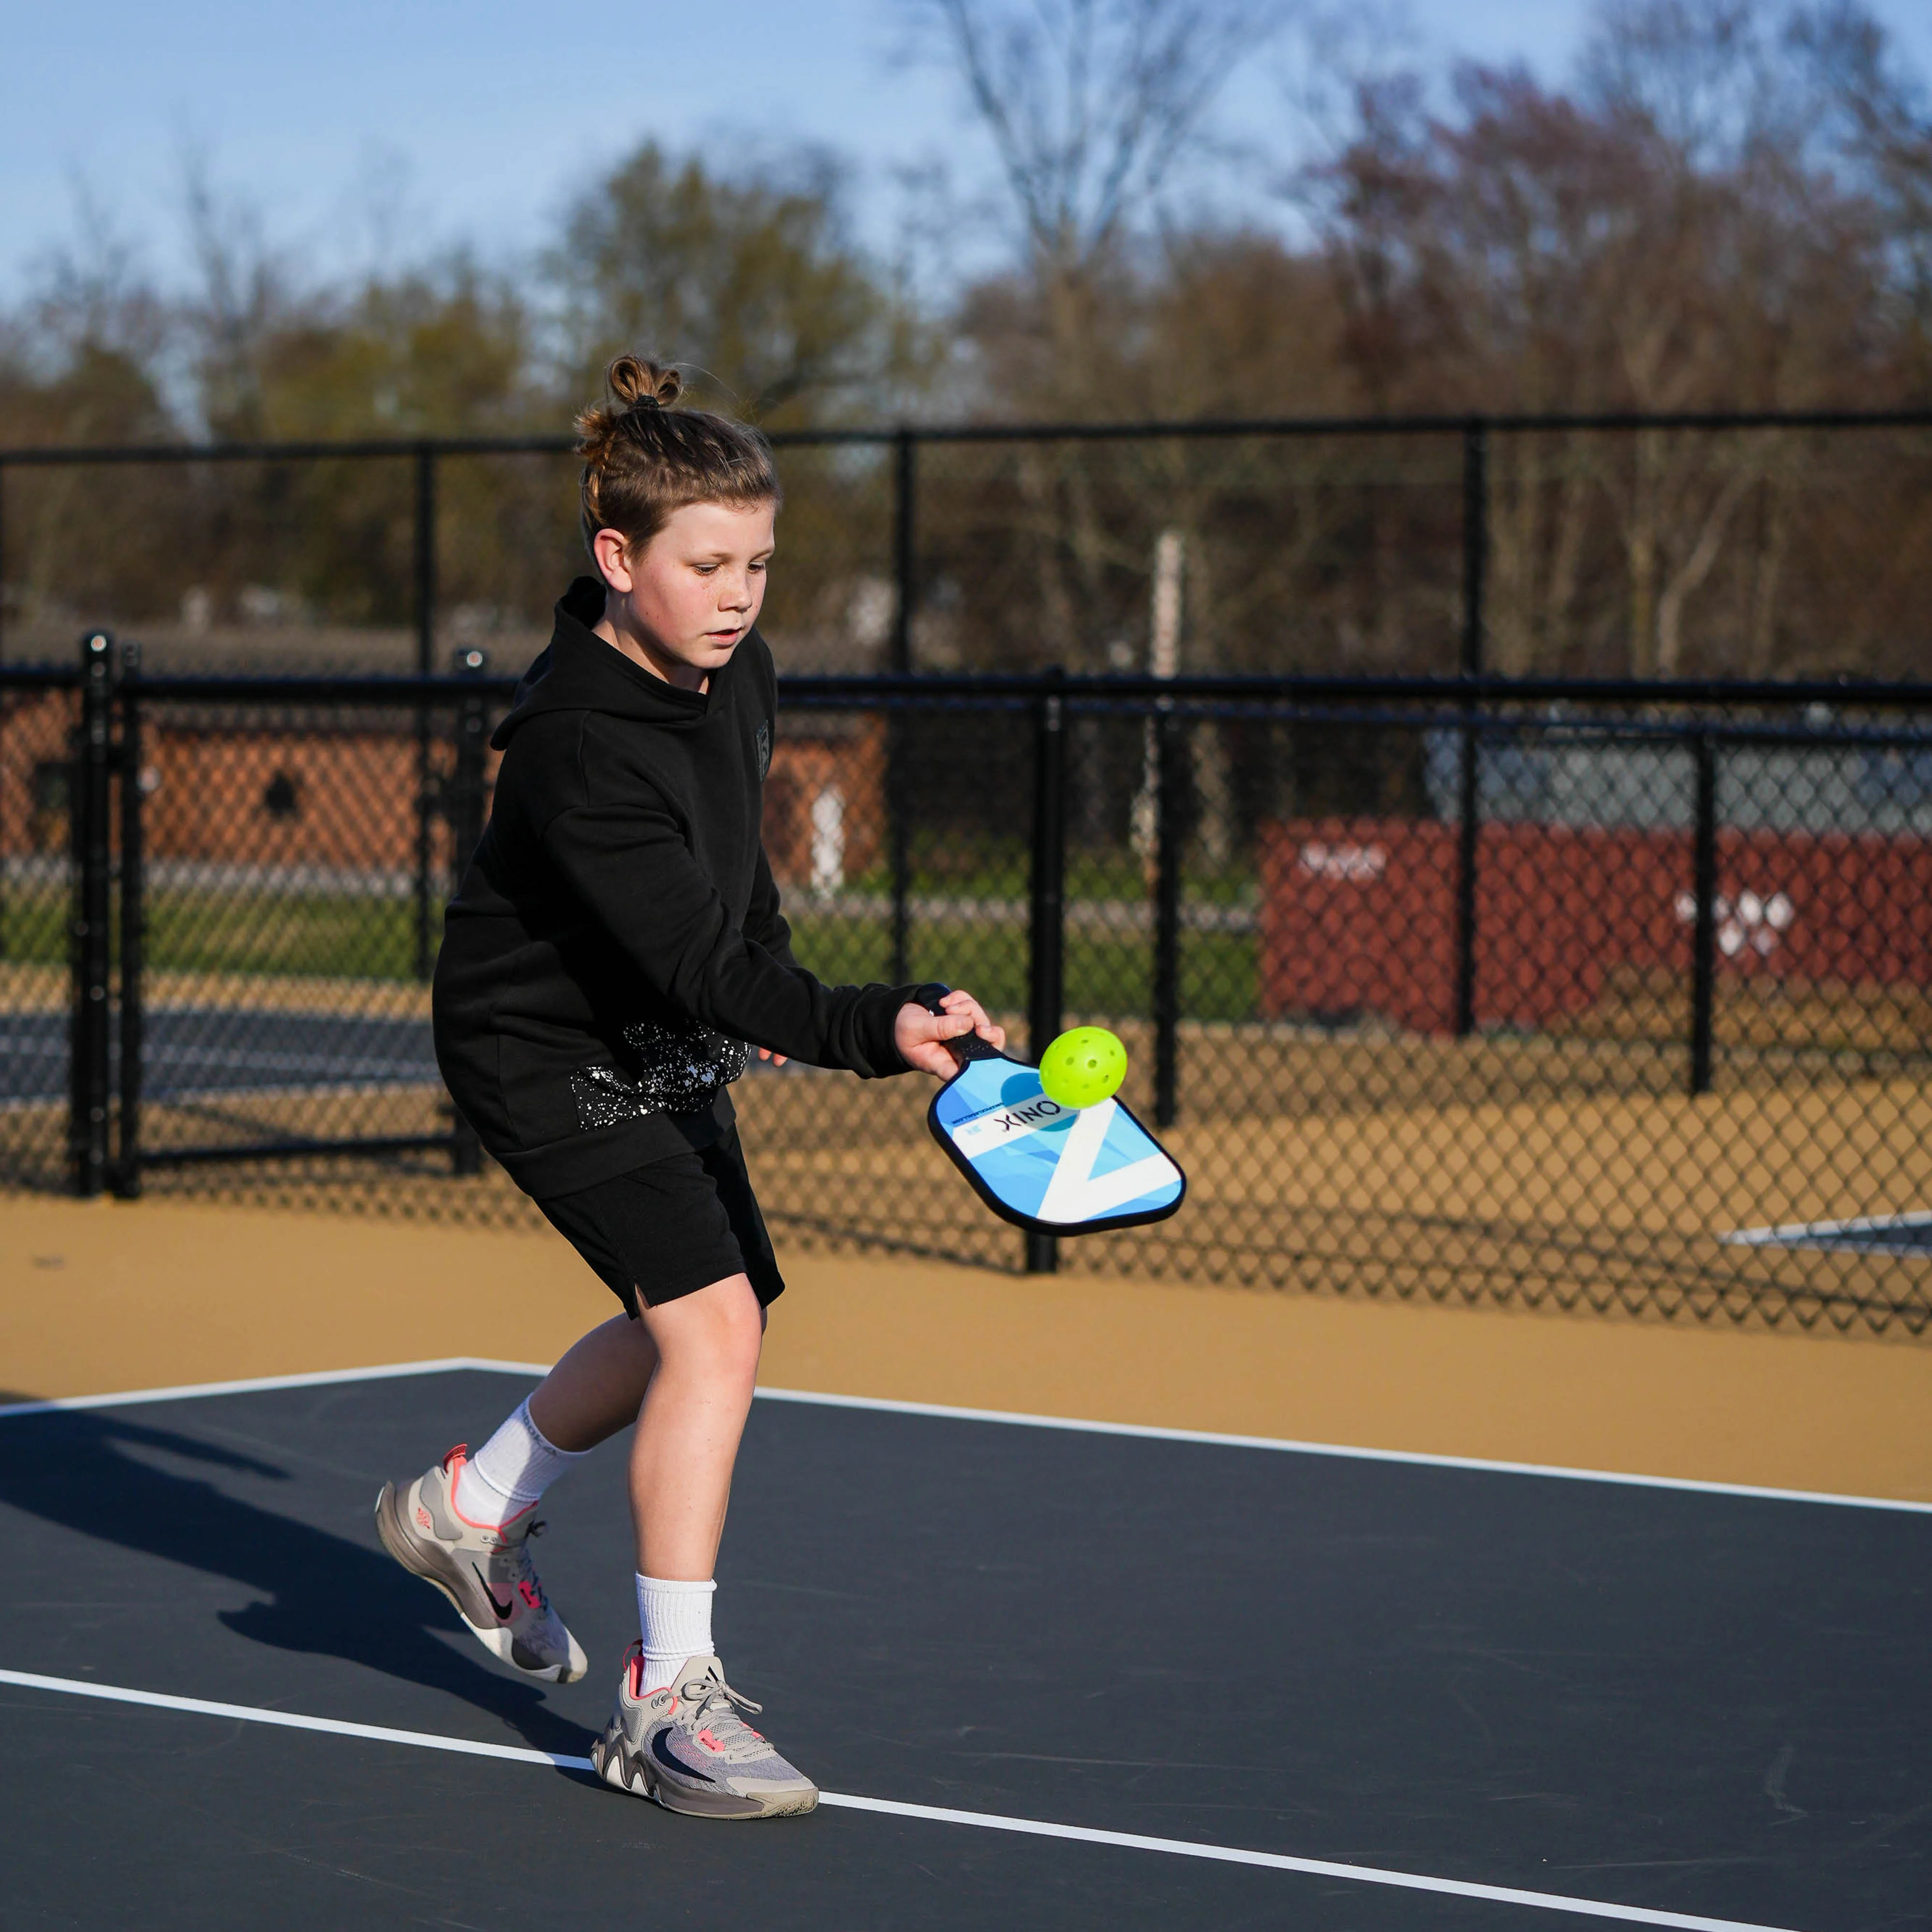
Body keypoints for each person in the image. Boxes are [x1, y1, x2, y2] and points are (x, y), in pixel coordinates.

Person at [375, 354, 1002, 1820]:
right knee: (713, 1327)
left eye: (762, 563)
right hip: (542, 1047)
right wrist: (859, 1021)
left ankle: (469, 1512)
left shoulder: (738, 673)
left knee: (708, 1317)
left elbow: (731, 902)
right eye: (707, 564)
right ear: (618, 557)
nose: (739, 593)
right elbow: (688, 954)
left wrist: (805, 994)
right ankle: (667, 1704)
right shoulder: (574, 748)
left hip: (649, 1019)